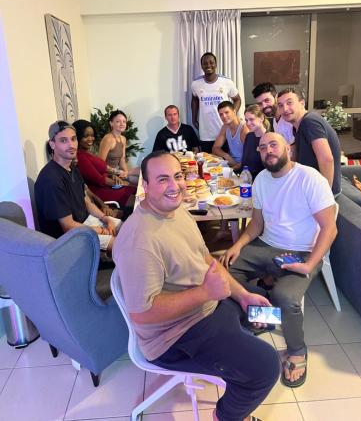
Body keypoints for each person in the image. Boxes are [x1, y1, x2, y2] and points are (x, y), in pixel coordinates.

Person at [113, 151, 280, 421]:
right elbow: (141, 314)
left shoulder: (176, 210)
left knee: (262, 304)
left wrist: (244, 295)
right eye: (163, 179)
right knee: (266, 367)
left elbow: (204, 259)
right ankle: (225, 417)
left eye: (177, 176)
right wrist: (206, 292)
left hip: (206, 309)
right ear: (145, 186)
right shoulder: (139, 241)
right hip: (174, 337)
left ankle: (236, 354)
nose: (174, 186)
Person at [221, 133, 337, 388]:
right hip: (266, 245)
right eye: (263, 148)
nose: (268, 150)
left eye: (274, 145)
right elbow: (257, 224)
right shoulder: (262, 179)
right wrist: (237, 245)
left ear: (288, 148)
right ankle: (261, 312)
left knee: (286, 297)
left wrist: (308, 264)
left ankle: (296, 350)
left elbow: (330, 229)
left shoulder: (309, 178)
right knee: (222, 272)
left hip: (303, 251)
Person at [35, 121, 121, 253]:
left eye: (73, 139)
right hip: (70, 239)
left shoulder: (72, 168)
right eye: (63, 140)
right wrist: (103, 231)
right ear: (52, 144)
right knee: (125, 246)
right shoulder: (50, 179)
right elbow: (68, 227)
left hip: (86, 222)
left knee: (129, 229)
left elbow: (85, 201)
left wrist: (105, 218)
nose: (71, 145)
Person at [276, 88, 342, 196]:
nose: (285, 109)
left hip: (320, 193)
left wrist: (325, 196)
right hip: (309, 187)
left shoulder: (310, 122)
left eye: (289, 103)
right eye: (280, 105)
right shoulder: (297, 127)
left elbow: (326, 159)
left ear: (302, 103)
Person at [73, 119, 136, 207]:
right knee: (139, 198)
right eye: (86, 136)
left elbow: (101, 172)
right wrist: (121, 182)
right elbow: (99, 179)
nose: (90, 139)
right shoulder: (80, 156)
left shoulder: (88, 153)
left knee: (138, 191)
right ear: (78, 137)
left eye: (92, 135)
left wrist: (112, 176)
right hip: (101, 192)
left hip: (108, 185)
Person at [191, 52, 241, 153]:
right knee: (208, 163)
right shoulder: (196, 84)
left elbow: (237, 99)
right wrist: (194, 118)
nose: (208, 65)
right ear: (201, 66)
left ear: (216, 64)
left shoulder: (227, 82)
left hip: (224, 130)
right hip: (206, 132)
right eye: (205, 63)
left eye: (211, 62)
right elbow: (194, 100)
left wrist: (232, 116)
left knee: (226, 164)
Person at [98, 109, 140, 185]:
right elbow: (100, 164)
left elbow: (122, 160)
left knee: (141, 173)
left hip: (117, 172)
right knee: (136, 181)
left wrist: (126, 173)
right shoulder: (108, 139)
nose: (122, 124)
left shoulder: (123, 139)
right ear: (111, 123)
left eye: (124, 122)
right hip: (107, 174)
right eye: (118, 121)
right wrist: (117, 172)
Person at [212, 101, 248, 170]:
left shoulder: (244, 129)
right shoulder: (225, 127)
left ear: (234, 112)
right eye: (221, 114)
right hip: (230, 164)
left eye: (226, 112)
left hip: (243, 168)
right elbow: (215, 148)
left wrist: (233, 168)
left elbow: (249, 157)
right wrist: (227, 156)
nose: (224, 116)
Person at [241, 104, 270, 179]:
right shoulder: (249, 136)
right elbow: (244, 163)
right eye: (246, 120)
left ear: (261, 118)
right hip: (246, 180)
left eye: (251, 119)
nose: (248, 123)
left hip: (262, 182)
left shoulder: (269, 138)